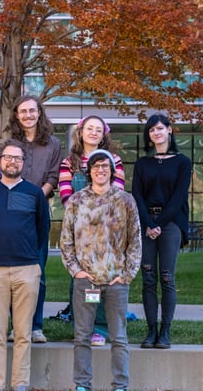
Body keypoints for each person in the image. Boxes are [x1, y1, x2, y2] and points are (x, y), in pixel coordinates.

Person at [60, 150, 142, 391]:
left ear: (112, 170)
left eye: (105, 166)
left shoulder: (125, 200)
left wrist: (126, 275)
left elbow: (135, 240)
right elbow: (66, 240)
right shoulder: (77, 201)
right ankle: (83, 385)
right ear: (89, 171)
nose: (100, 170)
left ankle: (120, 385)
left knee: (118, 337)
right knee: (83, 335)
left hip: (116, 281)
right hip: (88, 282)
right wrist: (75, 271)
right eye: (96, 166)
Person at [0, 139, 49, 391]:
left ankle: (20, 385)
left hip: (27, 270)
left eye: (17, 158)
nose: (12, 161)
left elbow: (42, 231)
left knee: (23, 334)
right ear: (0, 161)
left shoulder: (34, 193)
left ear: (23, 162)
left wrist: (35, 264)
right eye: (7, 157)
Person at [58, 115, 125, 346]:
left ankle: (100, 329)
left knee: (105, 277)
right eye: (89, 129)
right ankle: (81, 327)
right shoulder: (69, 163)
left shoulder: (114, 160)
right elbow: (66, 196)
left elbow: (118, 195)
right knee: (80, 278)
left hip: (108, 231)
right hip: (80, 232)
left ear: (103, 134)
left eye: (98, 130)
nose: (93, 133)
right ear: (81, 132)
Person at [4, 94, 61, 343]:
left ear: (40, 113)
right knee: (11, 272)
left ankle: (35, 326)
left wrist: (35, 197)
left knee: (37, 270)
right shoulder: (10, 142)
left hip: (38, 210)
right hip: (10, 213)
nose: (28, 115)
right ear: (16, 115)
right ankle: (15, 326)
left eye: (32, 110)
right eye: (22, 111)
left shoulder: (53, 144)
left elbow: (53, 176)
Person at [132, 113, 192, 349]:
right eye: (151, 130)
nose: (156, 133)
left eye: (159, 128)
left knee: (166, 278)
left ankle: (165, 332)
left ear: (169, 130)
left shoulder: (182, 162)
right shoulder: (142, 163)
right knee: (148, 278)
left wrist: (159, 224)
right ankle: (151, 331)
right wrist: (148, 223)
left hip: (171, 223)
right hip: (146, 223)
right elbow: (136, 194)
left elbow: (179, 197)